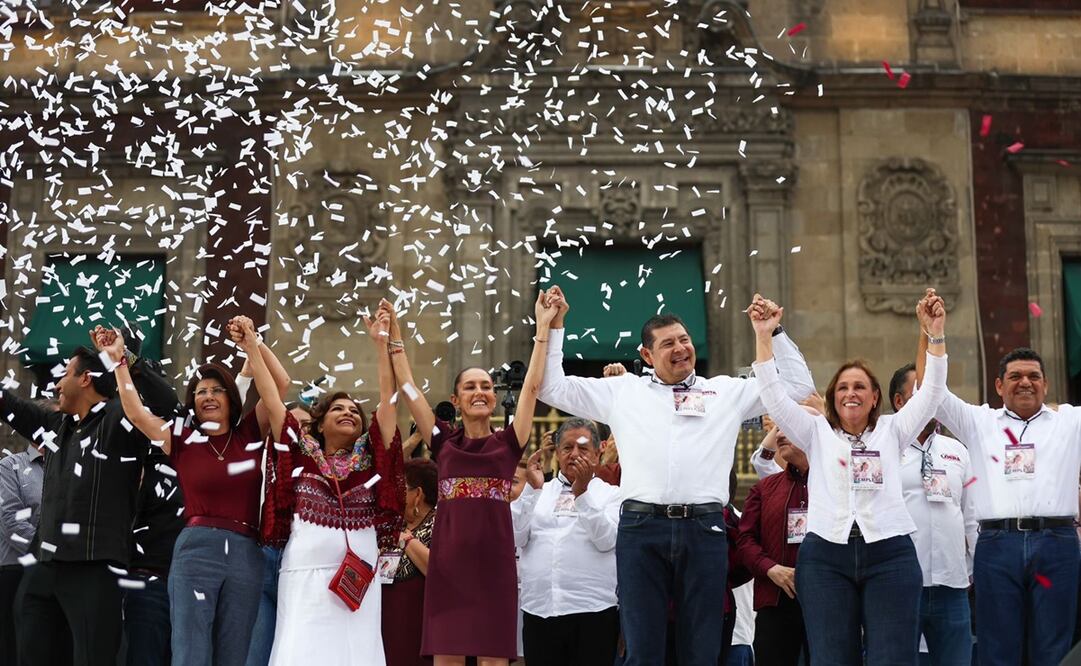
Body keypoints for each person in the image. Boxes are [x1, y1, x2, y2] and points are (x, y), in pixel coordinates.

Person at [537, 287, 815, 666]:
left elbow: (799, 388)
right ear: (647, 355)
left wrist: (774, 334)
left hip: (704, 530)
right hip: (640, 528)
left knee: (700, 652)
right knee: (643, 651)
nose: (681, 348)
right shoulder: (623, 391)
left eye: (685, 339)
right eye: (668, 343)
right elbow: (553, 387)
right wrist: (554, 326)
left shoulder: (724, 391)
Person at [750, 291, 948, 665]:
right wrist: (764, 335)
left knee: (891, 658)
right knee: (830, 658)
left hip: (889, 553)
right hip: (826, 556)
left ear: (876, 398)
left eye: (859, 387)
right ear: (832, 398)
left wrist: (934, 333)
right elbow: (773, 396)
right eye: (842, 387)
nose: (850, 393)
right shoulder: (814, 432)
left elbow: (933, 392)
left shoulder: (894, 429)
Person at [104, 318, 290, 666]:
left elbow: (280, 383)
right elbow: (137, 412)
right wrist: (118, 362)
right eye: (201, 391)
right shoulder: (184, 440)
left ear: (231, 399)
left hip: (246, 552)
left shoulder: (249, 434)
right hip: (196, 549)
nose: (207, 395)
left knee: (234, 654)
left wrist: (253, 342)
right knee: (191, 651)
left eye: (216, 389)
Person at [384, 292, 558, 666]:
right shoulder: (443, 442)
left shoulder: (509, 442)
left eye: (486, 387)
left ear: (494, 398)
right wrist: (394, 337)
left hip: (495, 568)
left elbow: (531, 386)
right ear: (456, 399)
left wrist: (542, 328)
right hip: (448, 569)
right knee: (447, 660)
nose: (480, 391)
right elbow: (410, 389)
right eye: (470, 387)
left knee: (493, 662)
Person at [1, 343, 171, 666]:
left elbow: (164, 403)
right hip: (45, 567)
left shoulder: (122, 420)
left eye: (64, 374)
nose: (56, 385)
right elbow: (11, 407)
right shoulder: (54, 427)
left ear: (85, 379)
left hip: (94, 568)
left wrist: (125, 359)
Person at [931, 312, 1081, 663]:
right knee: (998, 649)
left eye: (1033, 376)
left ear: (1045, 384)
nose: (1025, 383)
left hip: (1055, 548)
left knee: (1053, 648)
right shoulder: (978, 421)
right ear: (999, 386)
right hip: (999, 548)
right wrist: (934, 335)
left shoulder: (1070, 421)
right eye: (1015, 376)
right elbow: (934, 394)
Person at [263, 309, 404, 665]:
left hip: (359, 580)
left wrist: (381, 345)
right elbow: (273, 404)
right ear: (320, 424)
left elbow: (388, 404)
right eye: (338, 409)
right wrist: (252, 345)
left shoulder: (373, 460)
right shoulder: (299, 456)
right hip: (304, 578)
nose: (349, 413)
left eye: (355, 411)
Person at [511, 417, 621, 666]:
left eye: (583, 448)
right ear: (558, 453)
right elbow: (517, 536)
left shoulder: (611, 495)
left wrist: (582, 495)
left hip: (593, 612)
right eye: (567, 448)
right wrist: (531, 491)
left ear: (597, 452)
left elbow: (606, 541)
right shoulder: (540, 491)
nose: (575, 455)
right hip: (540, 610)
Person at [889, 360, 977, 666]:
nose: (930, 398)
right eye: (920, 391)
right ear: (899, 402)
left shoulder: (957, 450)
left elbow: (971, 515)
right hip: (900, 586)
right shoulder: (885, 448)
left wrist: (975, 570)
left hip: (952, 585)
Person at [737, 419, 812, 666]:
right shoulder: (765, 487)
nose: (780, 435)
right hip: (775, 599)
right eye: (779, 429)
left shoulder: (835, 482)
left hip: (827, 598)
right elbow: (745, 540)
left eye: (790, 428)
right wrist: (770, 568)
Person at [247, 402, 311, 666]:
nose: (298, 432)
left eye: (306, 426)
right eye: (290, 426)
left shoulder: (323, 467)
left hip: (301, 567)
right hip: (261, 558)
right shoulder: (255, 457)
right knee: (256, 653)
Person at [383, 458, 438, 666]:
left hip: (419, 626)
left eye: (400, 488)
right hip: (386, 622)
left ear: (418, 494)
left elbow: (438, 571)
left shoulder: (441, 522)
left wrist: (406, 538)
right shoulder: (390, 523)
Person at [0, 428, 47, 666]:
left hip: (59, 572)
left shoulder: (75, 469)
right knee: (15, 650)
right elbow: (10, 521)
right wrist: (47, 551)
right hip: (15, 571)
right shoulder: (10, 466)